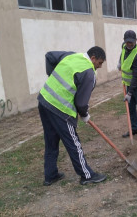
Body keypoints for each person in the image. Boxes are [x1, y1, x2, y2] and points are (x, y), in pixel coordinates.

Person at [38, 46, 107, 186]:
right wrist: (85, 115)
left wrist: (52, 78)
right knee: (73, 143)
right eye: (99, 63)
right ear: (93, 58)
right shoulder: (89, 73)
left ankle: (50, 175)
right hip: (60, 110)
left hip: (44, 100)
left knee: (51, 141)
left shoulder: (72, 55)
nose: (99, 67)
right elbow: (81, 103)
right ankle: (87, 175)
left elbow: (50, 56)